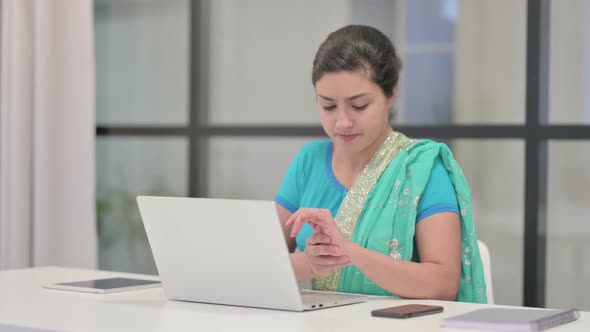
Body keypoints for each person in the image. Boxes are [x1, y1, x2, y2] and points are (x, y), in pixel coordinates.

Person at [274, 25, 487, 303]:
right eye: (328, 106)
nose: (342, 122)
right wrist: (309, 263)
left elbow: (443, 283)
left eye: (359, 106)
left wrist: (348, 251)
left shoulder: (421, 169)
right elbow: (263, 265)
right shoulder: (309, 162)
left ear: (391, 93)